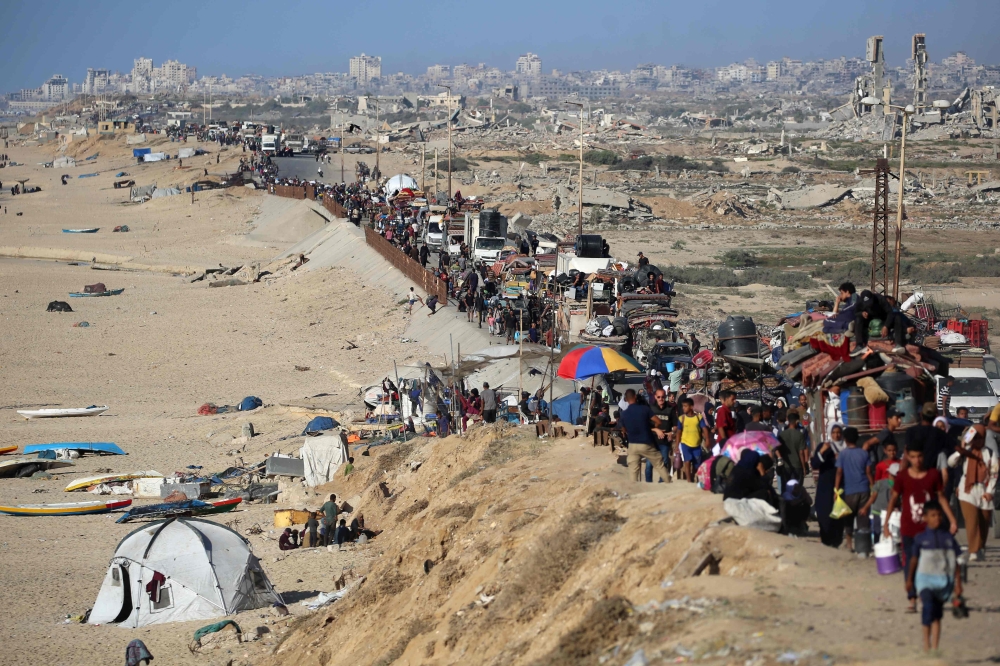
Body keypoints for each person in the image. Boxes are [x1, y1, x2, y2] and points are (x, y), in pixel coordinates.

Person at [884, 441, 959, 613]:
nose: (917, 460)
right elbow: (894, 499)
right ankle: (912, 598)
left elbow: (941, 498)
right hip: (909, 528)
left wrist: (953, 520)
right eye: (913, 457)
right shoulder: (902, 477)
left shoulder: (933, 475)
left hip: (929, 529)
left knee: (930, 563)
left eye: (920, 456)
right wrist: (886, 524)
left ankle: (928, 595)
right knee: (910, 561)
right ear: (908, 457)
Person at [907, 500, 963, 652]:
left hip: (943, 581)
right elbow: (914, 560)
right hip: (924, 579)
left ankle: (935, 647)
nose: (936, 518)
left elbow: (956, 562)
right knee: (927, 607)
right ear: (925, 517)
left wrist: (958, 584)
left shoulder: (948, 538)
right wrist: (909, 580)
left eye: (939, 515)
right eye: (932, 515)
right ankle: (926, 645)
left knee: (937, 615)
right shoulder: (920, 538)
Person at [947, 424, 997, 561]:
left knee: (984, 521)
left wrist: (989, 492)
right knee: (971, 520)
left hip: (983, 490)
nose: (977, 441)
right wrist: (960, 451)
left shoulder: (990, 453)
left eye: (980, 438)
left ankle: (980, 547)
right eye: (975, 438)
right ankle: (973, 550)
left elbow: (994, 473)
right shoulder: (966, 451)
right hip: (967, 489)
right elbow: (950, 463)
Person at [618, 389, 671, 483]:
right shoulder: (644, 409)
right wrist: (653, 428)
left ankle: (635, 492)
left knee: (633, 471)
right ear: (635, 396)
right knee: (659, 465)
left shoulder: (624, 414)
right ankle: (668, 484)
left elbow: (624, 430)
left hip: (632, 445)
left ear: (626, 399)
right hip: (646, 443)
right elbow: (658, 421)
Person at [835, 427, 874, 553]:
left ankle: (849, 544)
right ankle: (863, 547)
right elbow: (868, 472)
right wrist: (872, 486)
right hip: (864, 490)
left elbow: (839, 473)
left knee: (848, 519)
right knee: (863, 518)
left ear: (845, 440)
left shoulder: (843, 454)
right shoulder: (864, 453)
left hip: (850, 491)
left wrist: (836, 490)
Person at [812, 426, 845, 548]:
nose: (836, 435)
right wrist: (823, 451)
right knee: (824, 514)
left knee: (838, 515)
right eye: (834, 432)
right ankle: (826, 540)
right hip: (825, 486)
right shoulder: (824, 446)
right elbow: (815, 464)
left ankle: (836, 542)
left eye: (838, 433)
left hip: (840, 485)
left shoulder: (844, 448)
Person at [862, 440, 900, 539]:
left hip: (895, 499)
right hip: (882, 497)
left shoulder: (901, 463)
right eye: (889, 450)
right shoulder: (880, 466)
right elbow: (877, 481)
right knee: (878, 527)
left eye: (894, 450)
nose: (892, 453)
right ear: (885, 451)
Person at [676, 398, 710, 483]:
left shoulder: (698, 417)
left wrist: (707, 440)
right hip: (685, 444)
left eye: (685, 406)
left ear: (691, 407)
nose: (683, 408)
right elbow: (678, 433)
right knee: (687, 462)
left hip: (696, 445)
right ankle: (688, 481)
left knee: (697, 465)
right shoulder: (681, 418)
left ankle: (692, 476)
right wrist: (677, 446)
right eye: (683, 406)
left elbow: (704, 429)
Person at [777, 411, 808, 491]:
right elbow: (801, 452)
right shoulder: (800, 434)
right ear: (796, 421)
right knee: (797, 489)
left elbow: (778, 449)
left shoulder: (782, 434)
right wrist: (804, 467)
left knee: (786, 488)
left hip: (786, 465)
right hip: (797, 465)